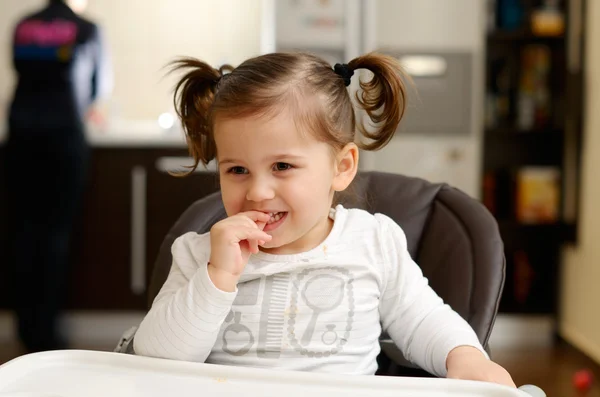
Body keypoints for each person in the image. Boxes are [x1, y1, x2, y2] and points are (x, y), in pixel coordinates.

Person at [132, 52, 515, 386]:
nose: (257, 192)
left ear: (342, 166)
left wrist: (466, 356)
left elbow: (424, 320)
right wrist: (216, 278)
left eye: (282, 166)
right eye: (237, 170)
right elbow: (154, 358)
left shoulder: (373, 242)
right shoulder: (200, 254)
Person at [5, 0, 111, 352]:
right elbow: (97, 88)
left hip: (20, 137)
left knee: (23, 231)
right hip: (63, 138)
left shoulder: (24, 25)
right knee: (55, 233)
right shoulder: (86, 28)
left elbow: (19, 70)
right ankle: (47, 335)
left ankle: (25, 330)